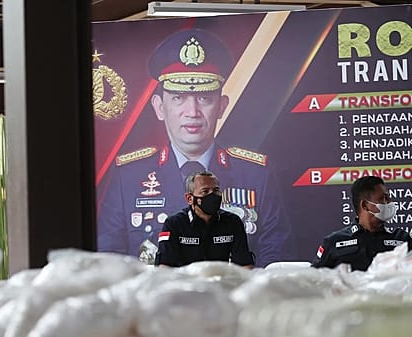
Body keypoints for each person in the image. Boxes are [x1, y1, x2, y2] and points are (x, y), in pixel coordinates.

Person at [97, 28, 289, 267]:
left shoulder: (256, 175)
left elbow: (276, 261)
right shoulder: (128, 178)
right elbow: (109, 261)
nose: (192, 112)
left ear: (221, 106)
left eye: (204, 98)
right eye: (178, 98)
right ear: (159, 107)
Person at [154, 171, 253, 268]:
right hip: (184, 278)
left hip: (220, 277)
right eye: (205, 191)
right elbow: (164, 267)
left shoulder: (233, 222)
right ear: (189, 198)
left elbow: (245, 265)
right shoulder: (173, 224)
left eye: (216, 191)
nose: (213, 195)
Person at [312, 176, 412, 271]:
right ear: (365, 205)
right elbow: (315, 278)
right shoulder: (334, 242)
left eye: (388, 197)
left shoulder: (402, 238)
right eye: (383, 198)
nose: (390, 202)